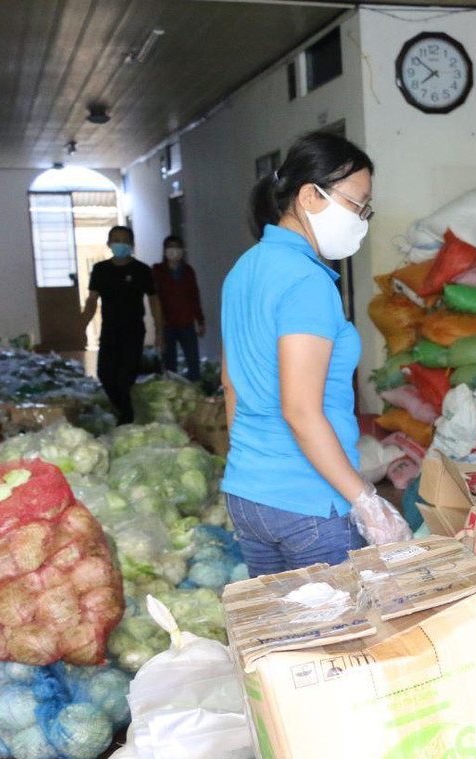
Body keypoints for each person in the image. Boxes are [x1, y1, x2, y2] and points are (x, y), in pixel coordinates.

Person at [220, 131, 408, 576]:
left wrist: (255, 469)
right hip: (308, 503)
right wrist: (366, 500)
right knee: (334, 644)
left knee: (284, 639)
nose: (362, 219)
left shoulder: (244, 268)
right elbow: (300, 412)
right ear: (310, 196)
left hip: (249, 496)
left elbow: (230, 385)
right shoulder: (307, 282)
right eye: (357, 204)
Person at [83, 226, 159, 425]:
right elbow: (92, 300)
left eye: (124, 240)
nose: (120, 244)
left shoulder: (142, 270)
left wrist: (160, 330)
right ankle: (125, 411)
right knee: (105, 374)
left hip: (133, 331)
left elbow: (153, 300)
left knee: (125, 376)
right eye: (116, 240)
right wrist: (82, 326)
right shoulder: (100, 270)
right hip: (109, 330)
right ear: (109, 244)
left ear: (132, 245)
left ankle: (126, 418)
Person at [151, 235, 206, 382]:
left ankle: (195, 389)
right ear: (164, 251)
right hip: (167, 325)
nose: (173, 250)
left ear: (182, 250)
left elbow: (195, 297)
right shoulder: (157, 271)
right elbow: (154, 299)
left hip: (186, 323)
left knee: (193, 360)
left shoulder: (188, 271)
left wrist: (200, 320)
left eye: (177, 247)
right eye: (170, 247)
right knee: (169, 363)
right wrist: (158, 330)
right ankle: (172, 391)